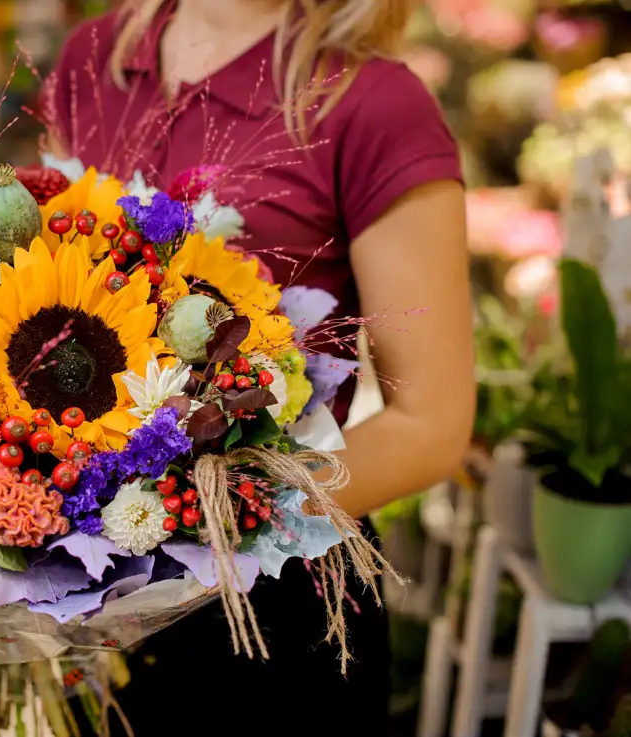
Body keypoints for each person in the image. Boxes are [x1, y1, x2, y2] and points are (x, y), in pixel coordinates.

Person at [45, 0, 474, 732]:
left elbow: (430, 423)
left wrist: (188, 529)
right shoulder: (96, 57)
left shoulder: (372, 103)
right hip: (87, 593)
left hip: (274, 610)